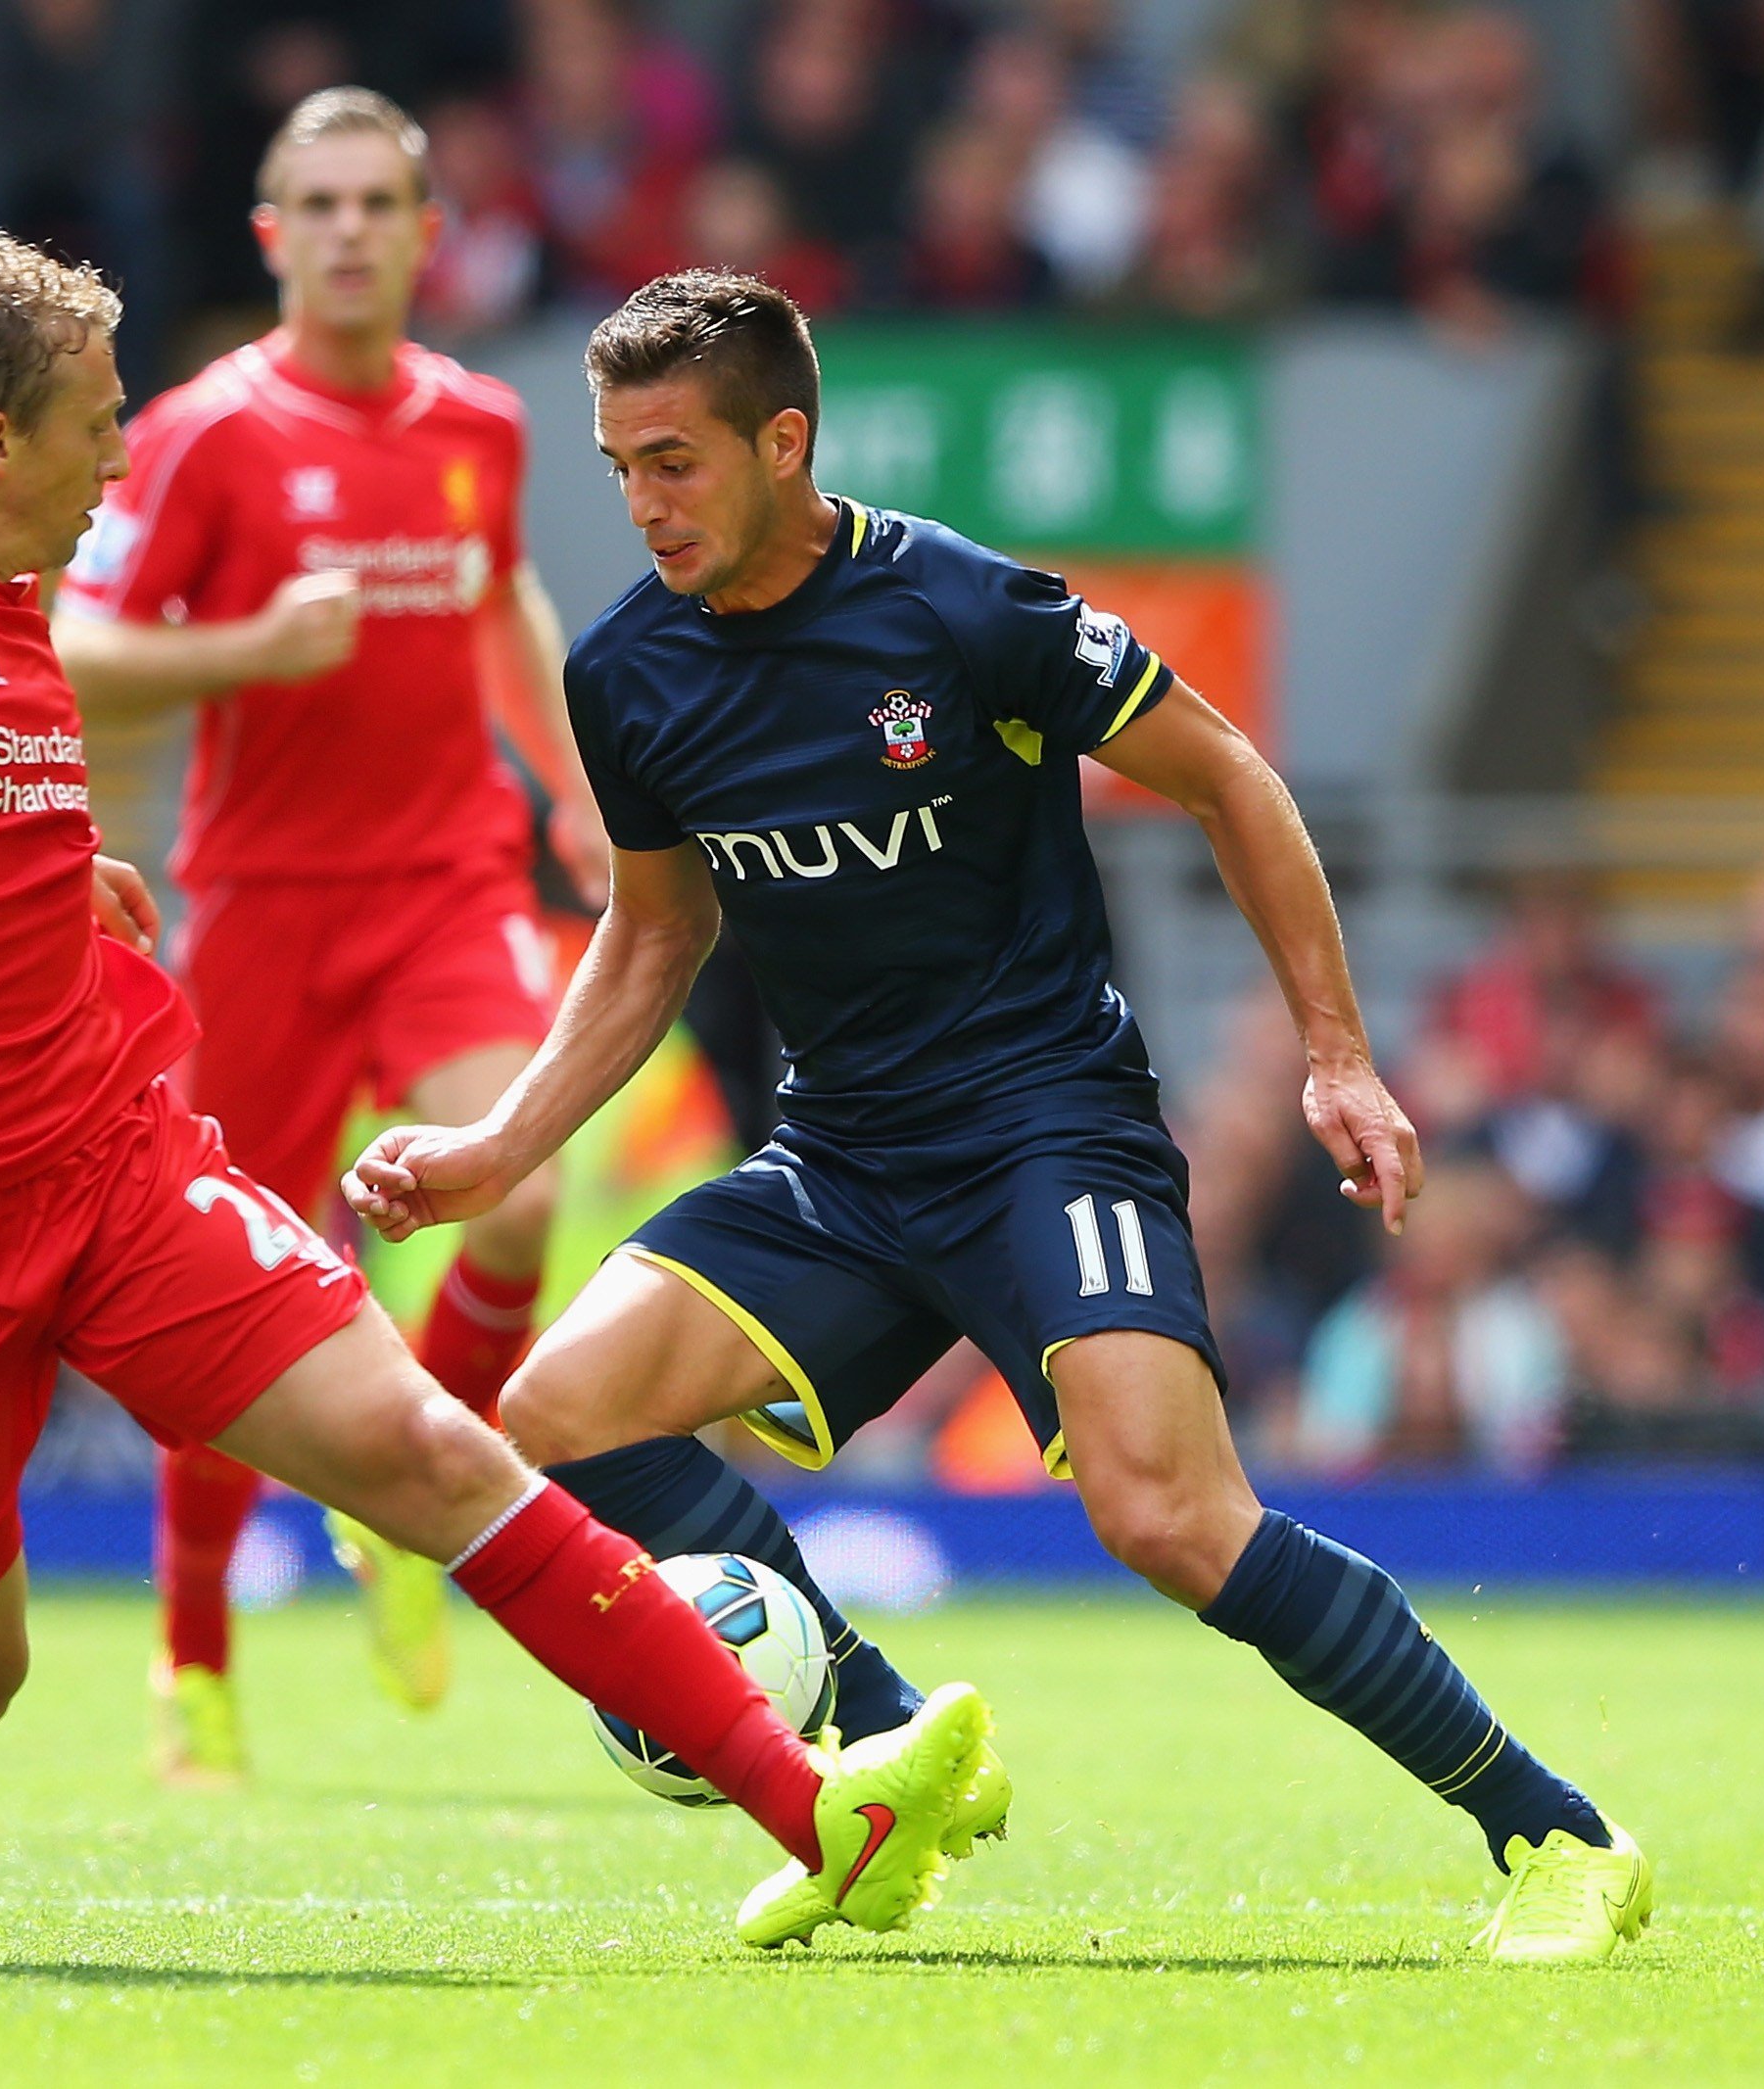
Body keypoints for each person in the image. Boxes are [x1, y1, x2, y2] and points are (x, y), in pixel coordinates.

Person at [0, 229, 998, 1951]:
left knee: (429, 1451)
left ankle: (819, 1806)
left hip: (104, 1162)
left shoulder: (16, 602)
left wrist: (42, 882)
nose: (118, 456)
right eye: (95, 421)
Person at [348, 268, 1653, 1966]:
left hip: (1047, 1129)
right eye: (619, 467)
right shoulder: (629, 673)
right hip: (841, 1154)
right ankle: (889, 1745)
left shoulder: (960, 607)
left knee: (1168, 1516)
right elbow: (657, 930)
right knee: (562, 1412)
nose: (643, 502)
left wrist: (1337, 1053)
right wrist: (500, 1147)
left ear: (783, 441)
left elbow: (1228, 774)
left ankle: (1559, 1834)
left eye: (674, 461)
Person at [53, 89, 603, 1778]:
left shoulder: (479, 423)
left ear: (429, 236)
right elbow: (77, 641)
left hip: (447, 879)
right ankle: (193, 1652)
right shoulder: (206, 432)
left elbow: (498, 593)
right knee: (239, 1287)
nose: (352, 230)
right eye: (321, 203)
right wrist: (245, 651)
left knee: (518, 1192)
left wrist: (575, 791)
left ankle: (409, 1496)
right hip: (268, 905)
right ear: (273, 235)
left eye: (380, 203)